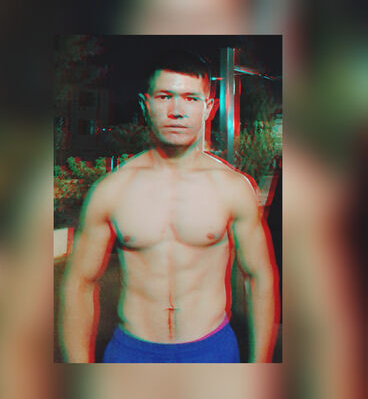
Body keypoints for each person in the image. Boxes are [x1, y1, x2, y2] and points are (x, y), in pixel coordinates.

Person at [61, 51, 279, 363]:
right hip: (132, 353)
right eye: (165, 96)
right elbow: (79, 282)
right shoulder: (111, 191)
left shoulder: (233, 188)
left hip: (211, 350)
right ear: (146, 104)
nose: (177, 111)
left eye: (191, 98)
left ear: (209, 108)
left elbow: (260, 277)